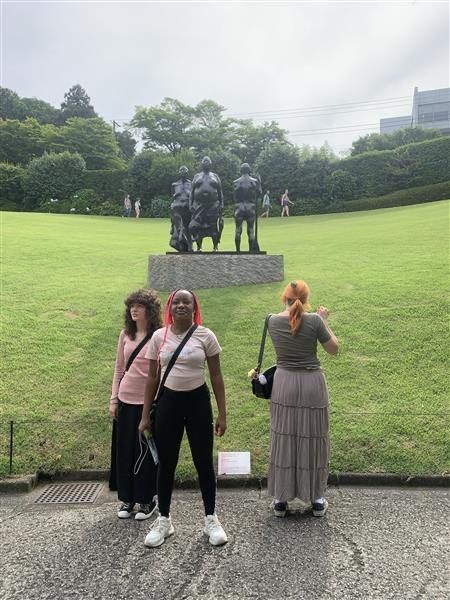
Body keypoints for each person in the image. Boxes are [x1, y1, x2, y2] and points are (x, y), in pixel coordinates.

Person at [138, 289, 228, 547]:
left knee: (203, 463)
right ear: (169, 307)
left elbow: (217, 377)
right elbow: (152, 377)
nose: (180, 305)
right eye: (176, 302)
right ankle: (164, 520)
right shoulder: (158, 337)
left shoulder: (205, 336)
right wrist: (145, 416)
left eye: (186, 302)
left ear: (194, 307)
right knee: (166, 463)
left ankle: (211, 519)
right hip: (168, 403)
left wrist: (222, 413)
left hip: (198, 402)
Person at [266, 280, 338, 518]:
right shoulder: (315, 321)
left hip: (284, 383)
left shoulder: (272, 321)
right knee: (313, 437)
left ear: (283, 297)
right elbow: (333, 349)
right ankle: (316, 499)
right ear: (306, 299)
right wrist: (323, 319)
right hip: (311, 385)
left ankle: (280, 499)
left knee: (284, 437)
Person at [110, 289, 163, 520]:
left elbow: (161, 372)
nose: (134, 309)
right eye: (131, 306)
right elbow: (119, 369)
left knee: (145, 451)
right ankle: (126, 499)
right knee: (125, 450)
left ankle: (146, 499)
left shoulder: (159, 336)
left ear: (149, 311)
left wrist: (155, 404)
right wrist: (113, 399)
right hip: (124, 400)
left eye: (139, 306)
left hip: (147, 403)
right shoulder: (125, 335)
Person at [189, 156, 224, 252]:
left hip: (213, 205)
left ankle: (215, 246)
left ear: (211, 164)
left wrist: (221, 204)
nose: (206, 163)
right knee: (197, 226)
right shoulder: (197, 176)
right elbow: (191, 192)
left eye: (208, 161)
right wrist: (190, 204)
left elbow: (220, 192)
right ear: (202, 164)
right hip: (199, 206)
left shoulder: (215, 176)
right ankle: (199, 247)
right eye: (204, 161)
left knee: (213, 226)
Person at [233, 162, 262, 252]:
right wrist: (259, 183)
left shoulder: (236, 182)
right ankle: (251, 251)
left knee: (238, 229)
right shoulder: (254, 181)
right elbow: (260, 194)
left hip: (239, 207)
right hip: (251, 207)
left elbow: (234, 197)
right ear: (249, 170)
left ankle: (238, 251)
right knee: (251, 230)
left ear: (241, 171)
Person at [169, 166, 193, 252]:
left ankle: (189, 245)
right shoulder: (174, 184)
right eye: (181, 171)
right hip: (177, 208)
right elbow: (172, 197)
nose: (183, 172)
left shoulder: (191, 184)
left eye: (185, 171)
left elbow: (193, 196)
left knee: (187, 227)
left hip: (187, 208)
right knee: (179, 227)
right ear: (179, 173)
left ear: (187, 173)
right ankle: (184, 244)